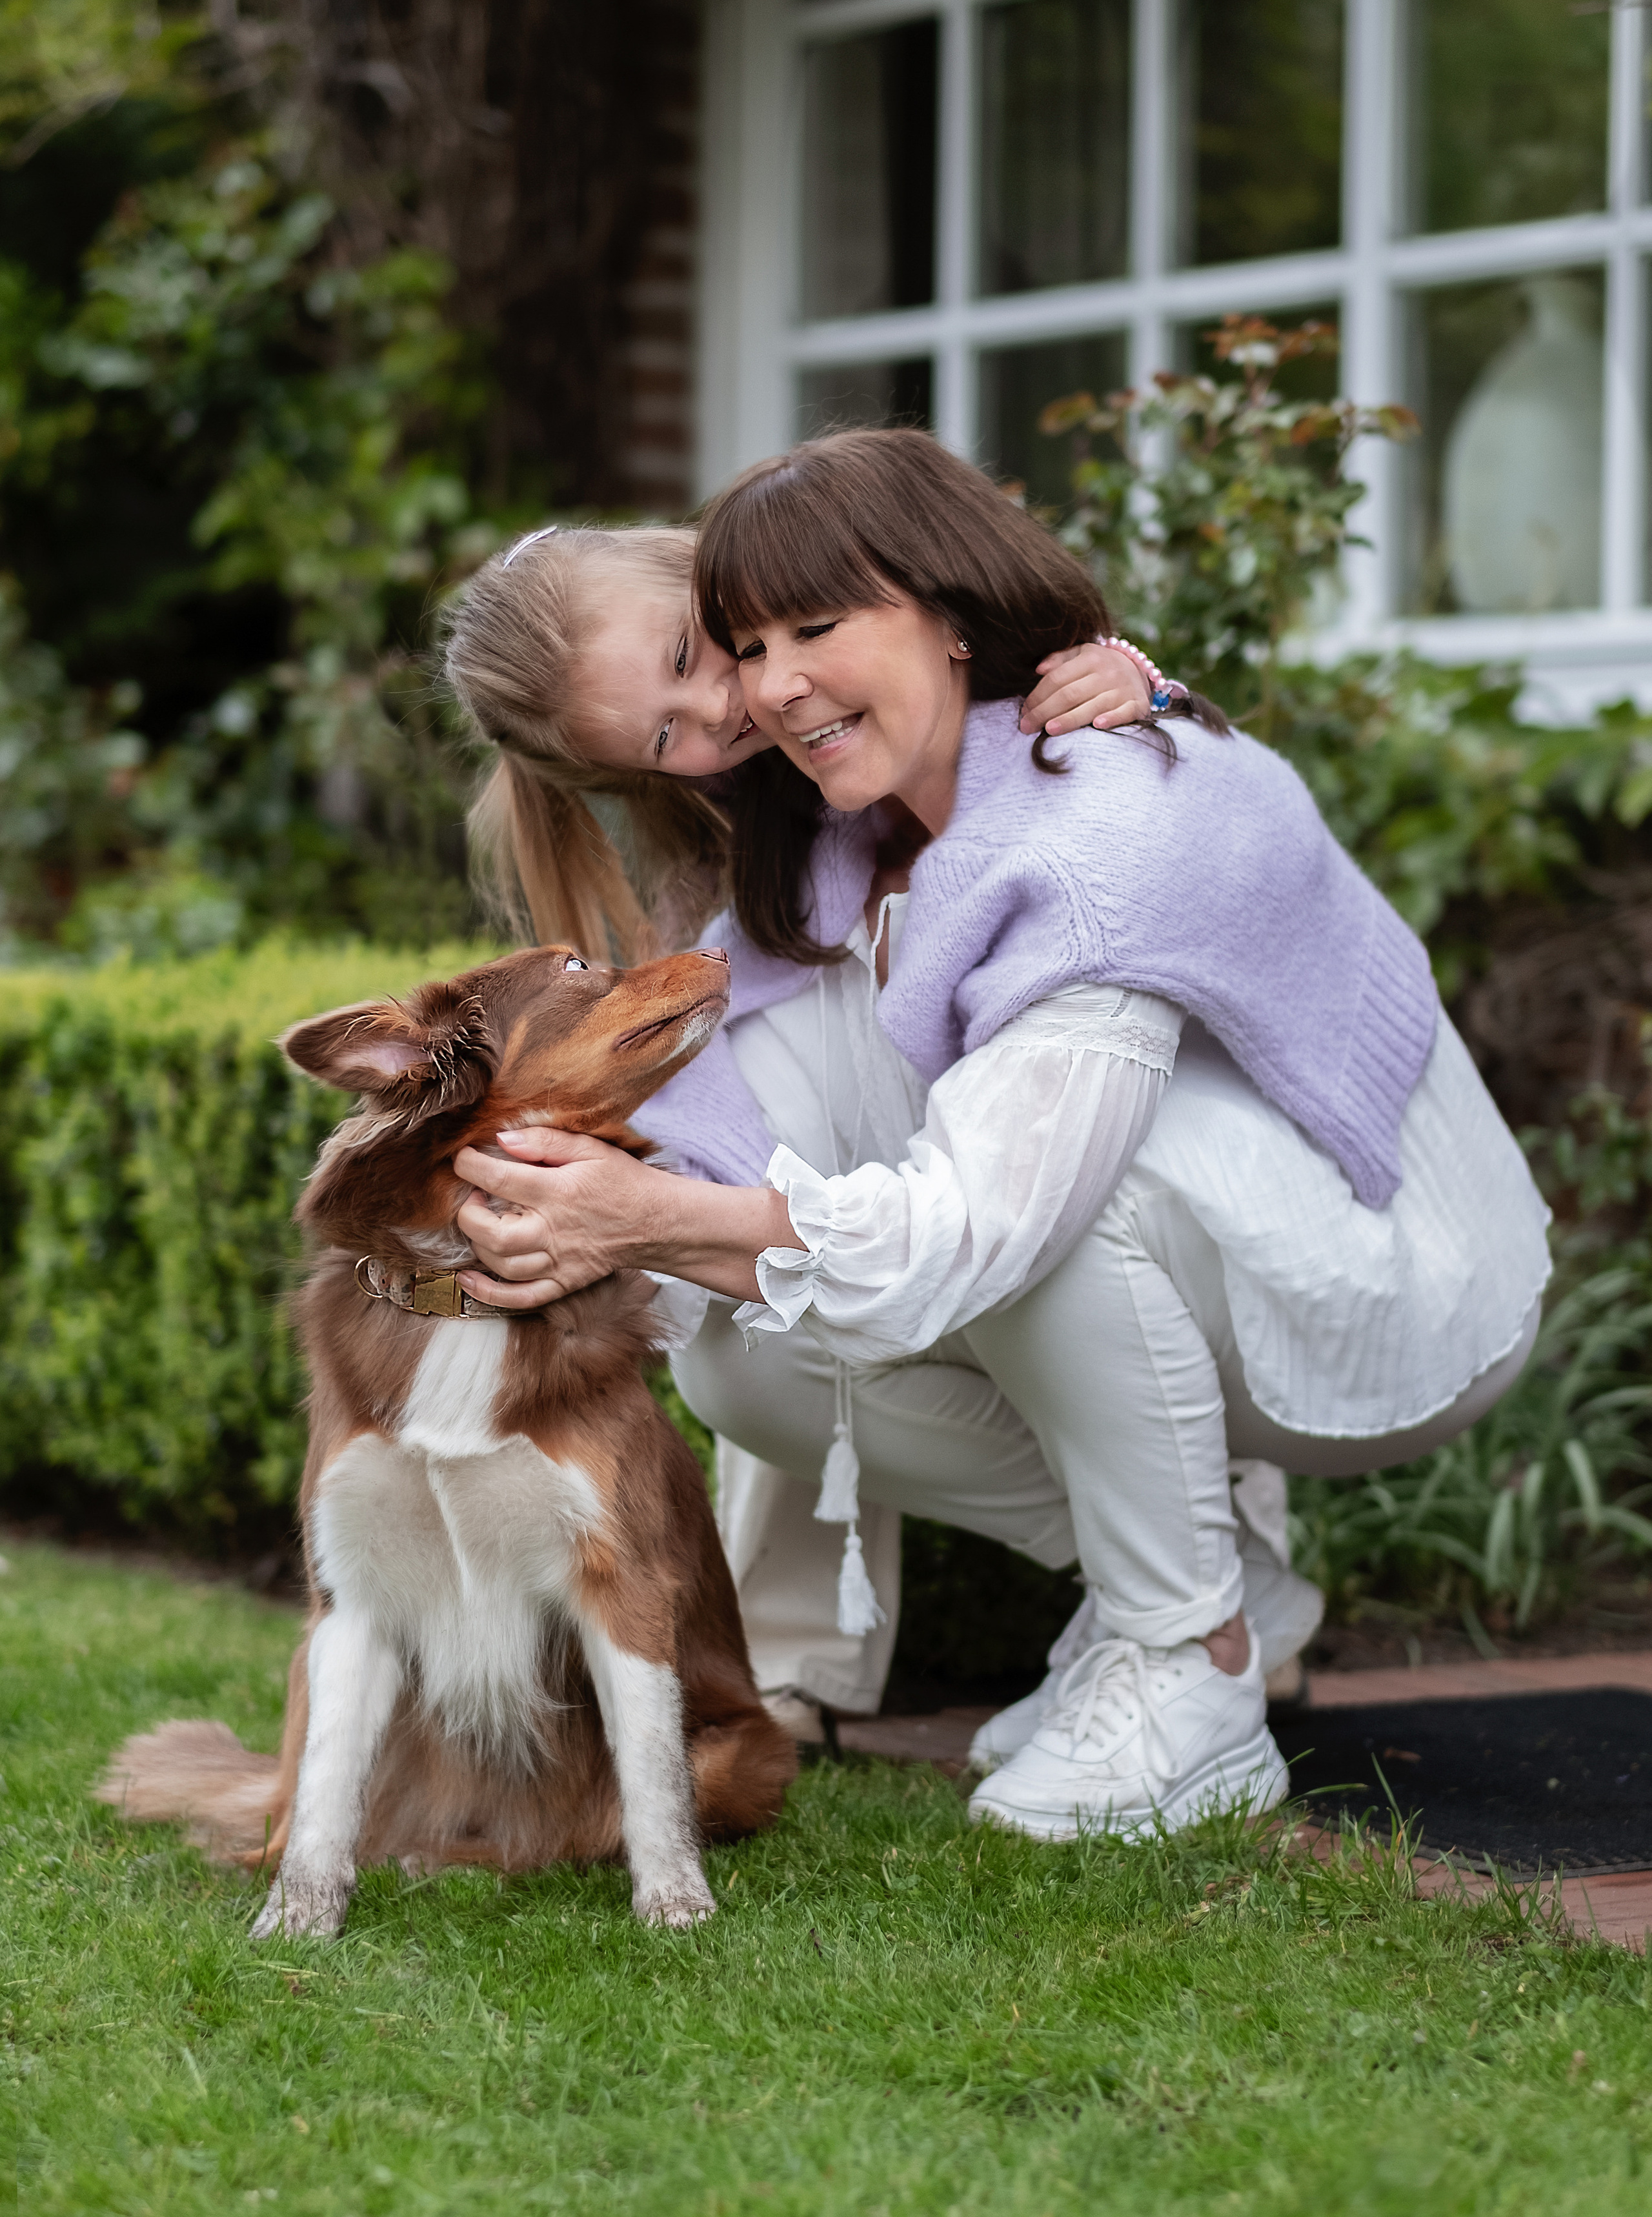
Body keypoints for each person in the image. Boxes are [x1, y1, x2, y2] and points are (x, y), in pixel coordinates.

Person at [445, 430, 1552, 1846]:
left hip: (1386, 1271)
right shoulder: (815, 830)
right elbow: (749, 1160)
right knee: (743, 1349)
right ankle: (1194, 1593)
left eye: (713, 647)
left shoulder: (1079, 785)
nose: (742, 699)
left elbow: (991, 1213)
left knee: (1049, 1209)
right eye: (668, 731)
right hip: (1214, 1243)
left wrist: (650, 1220)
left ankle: (1190, 1663)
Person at [443, 511, 1189, 1738]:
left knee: (979, 1229)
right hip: (889, 1102)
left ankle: (1185, 1567)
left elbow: (1056, 713)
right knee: (759, 1250)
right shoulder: (731, 825)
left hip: (1064, 1070)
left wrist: (1136, 679)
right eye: (664, 737)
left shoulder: (856, 615)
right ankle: (790, 1646)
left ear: (702, 569)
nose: (720, 715)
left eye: (694, 655)